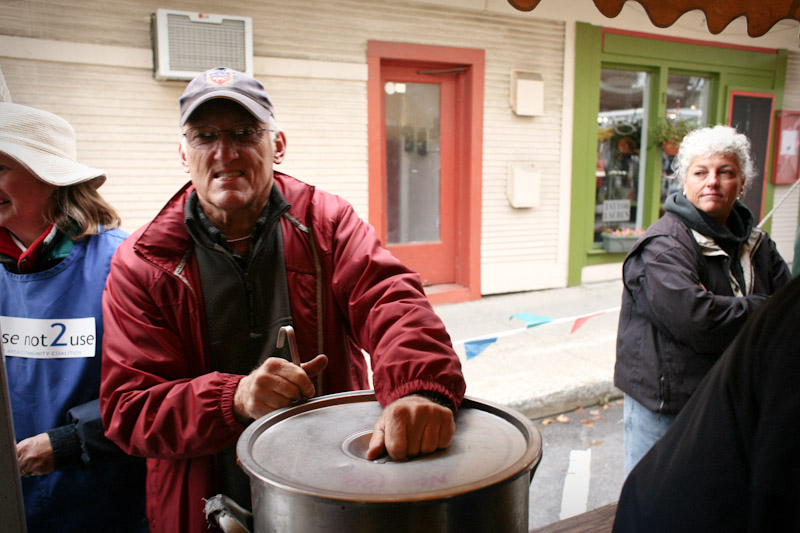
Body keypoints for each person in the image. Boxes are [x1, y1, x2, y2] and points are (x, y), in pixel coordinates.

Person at [99, 67, 466, 533]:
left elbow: (390, 302)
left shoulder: (326, 223)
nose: (225, 152)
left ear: (278, 145)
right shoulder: (143, 262)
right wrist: (235, 398)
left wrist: (418, 387)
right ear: (183, 154)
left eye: (244, 133)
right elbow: (129, 409)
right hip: (205, 503)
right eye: (205, 136)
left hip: (331, 490)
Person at [0, 100, 147, 531]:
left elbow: (157, 389)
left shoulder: (123, 263)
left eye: (0, 169)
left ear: (51, 178)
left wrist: (68, 441)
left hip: (103, 503)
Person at [614, 124, 791, 475]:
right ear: (685, 181)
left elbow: (789, 314)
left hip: (732, 400)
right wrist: (763, 305)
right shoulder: (663, 245)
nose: (712, 181)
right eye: (700, 172)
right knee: (658, 498)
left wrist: (754, 310)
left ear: (742, 182)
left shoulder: (758, 244)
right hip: (669, 408)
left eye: (725, 172)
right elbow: (698, 321)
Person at [613, 274, 800, 532]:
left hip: (708, 398)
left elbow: (777, 294)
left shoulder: (759, 251)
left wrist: (730, 305)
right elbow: (697, 319)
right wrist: (759, 303)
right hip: (663, 398)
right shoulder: (664, 251)